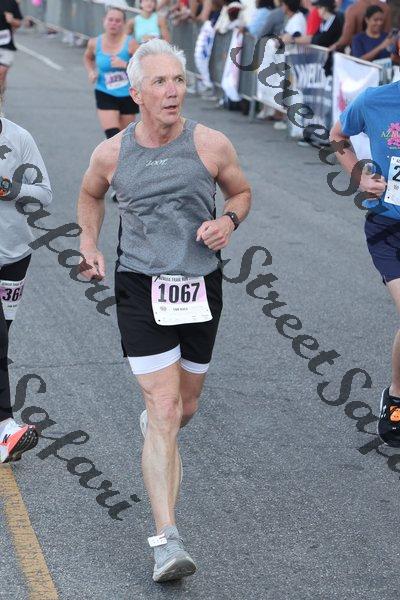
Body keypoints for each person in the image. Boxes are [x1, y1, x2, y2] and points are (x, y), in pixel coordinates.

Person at [77, 38, 251, 582]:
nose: (173, 91)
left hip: (199, 285)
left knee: (185, 406)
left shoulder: (211, 144)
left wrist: (228, 222)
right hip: (140, 286)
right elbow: (90, 194)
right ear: (137, 94)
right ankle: (166, 541)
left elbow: (241, 193)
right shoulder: (112, 154)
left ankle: (159, 425)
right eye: (160, 81)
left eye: (178, 79)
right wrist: (89, 243)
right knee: (165, 405)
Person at [330, 55, 400, 447]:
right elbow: (338, 135)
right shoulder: (375, 100)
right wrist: (359, 175)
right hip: (389, 227)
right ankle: (397, 397)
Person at [0, 117, 52, 463]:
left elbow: (45, 194)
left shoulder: (19, 137)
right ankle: (5, 428)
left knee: (3, 335)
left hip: (15, 256)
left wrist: (10, 188)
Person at [84, 7, 139, 143]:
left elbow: (142, 66)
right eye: (111, 20)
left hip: (128, 94)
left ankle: (115, 152)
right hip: (105, 92)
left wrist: (125, 64)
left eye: (118, 21)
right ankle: (110, 146)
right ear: (104, 21)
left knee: (125, 138)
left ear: (124, 23)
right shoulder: (94, 42)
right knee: (113, 135)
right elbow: (87, 58)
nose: (114, 23)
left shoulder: (131, 43)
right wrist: (91, 71)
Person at [0, 0, 23, 100]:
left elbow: (18, 23)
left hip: (6, 44)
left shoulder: (11, 2)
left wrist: (12, 20)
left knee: (1, 73)